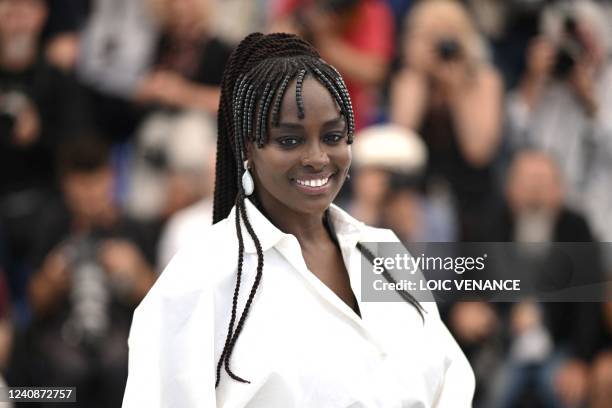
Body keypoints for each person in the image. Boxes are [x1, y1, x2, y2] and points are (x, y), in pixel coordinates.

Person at [122, 32, 474, 407]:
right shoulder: (201, 280)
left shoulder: (381, 250)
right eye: (290, 140)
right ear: (248, 149)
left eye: (333, 136)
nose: (318, 157)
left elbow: (451, 377)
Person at [390, 0, 503, 240]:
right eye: (428, 36)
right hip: (418, 197)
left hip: (472, 197)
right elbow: (401, 146)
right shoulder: (409, 80)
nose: (439, 46)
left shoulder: (484, 80)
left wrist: (458, 90)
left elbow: (478, 152)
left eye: (446, 35)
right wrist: (418, 76)